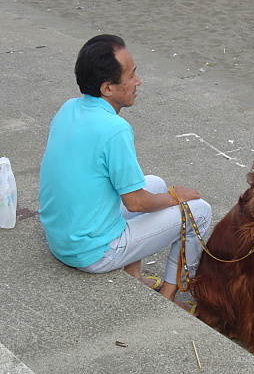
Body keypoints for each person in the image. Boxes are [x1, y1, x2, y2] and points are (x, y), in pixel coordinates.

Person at [38, 34, 212, 313]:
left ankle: (135, 277)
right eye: (131, 75)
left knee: (154, 182)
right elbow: (137, 203)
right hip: (91, 253)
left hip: (62, 238)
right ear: (107, 87)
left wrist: (164, 194)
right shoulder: (114, 129)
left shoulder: (69, 108)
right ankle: (168, 299)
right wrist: (174, 198)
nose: (138, 82)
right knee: (199, 210)